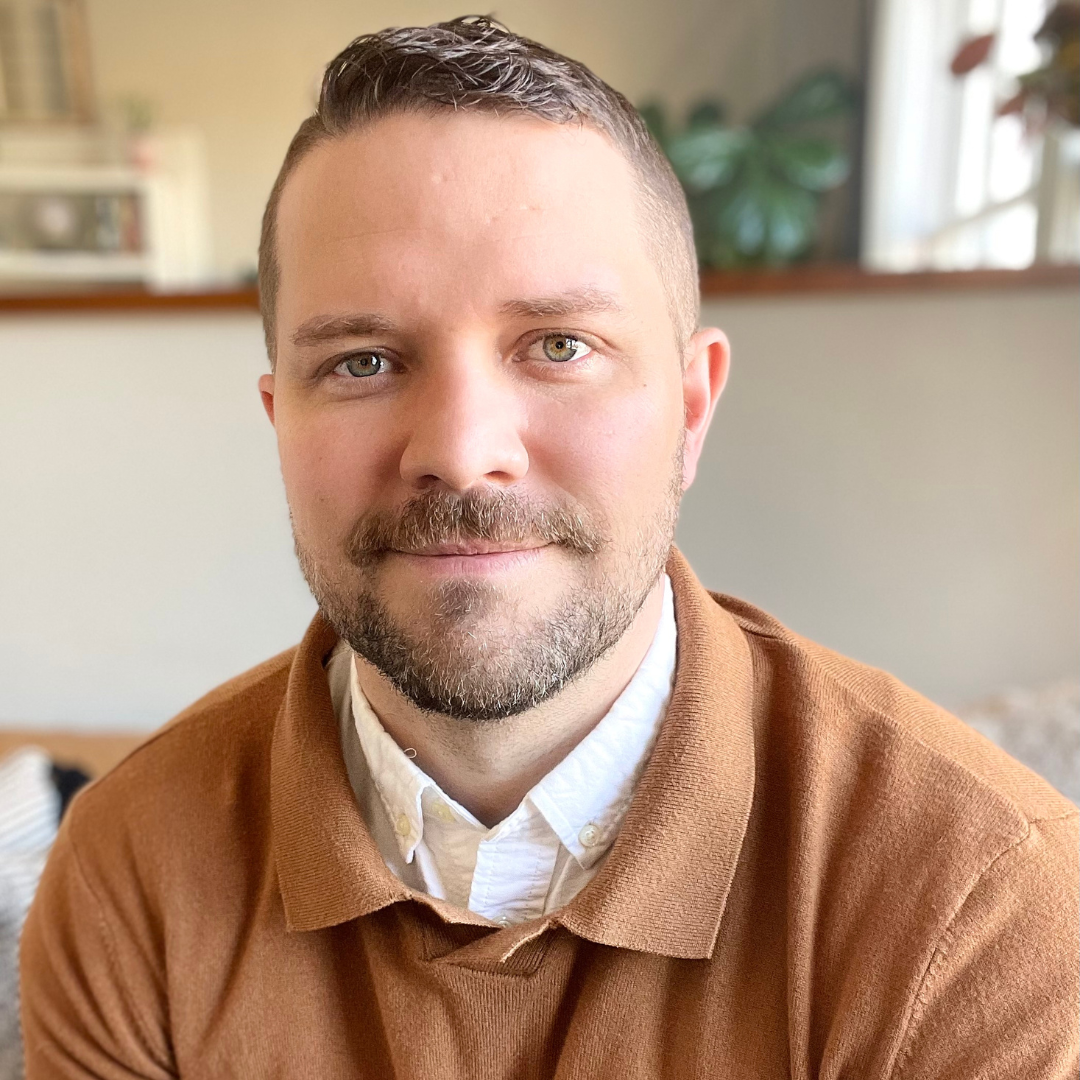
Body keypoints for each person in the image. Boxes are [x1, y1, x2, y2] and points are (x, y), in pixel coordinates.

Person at [20, 17, 1077, 1079]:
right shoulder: (130, 875)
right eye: (363, 361)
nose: (462, 453)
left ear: (692, 409)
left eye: (559, 346)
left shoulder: (980, 902)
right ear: (278, 421)